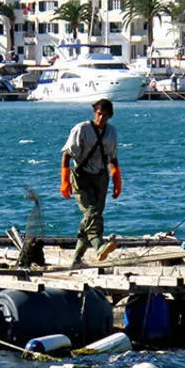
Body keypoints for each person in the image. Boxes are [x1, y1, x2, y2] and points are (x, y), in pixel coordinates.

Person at [60, 98, 122, 265]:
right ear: (95, 112)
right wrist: (65, 181)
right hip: (81, 177)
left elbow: (113, 158)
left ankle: (76, 259)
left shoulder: (112, 132)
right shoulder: (82, 129)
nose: (102, 118)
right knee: (91, 213)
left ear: (110, 116)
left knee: (92, 218)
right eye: (99, 114)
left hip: (101, 178)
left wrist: (117, 180)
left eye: (106, 116)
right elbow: (67, 155)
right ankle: (99, 246)